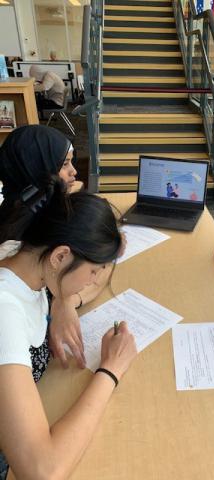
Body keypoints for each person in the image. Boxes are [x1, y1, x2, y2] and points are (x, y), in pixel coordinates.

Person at [0, 179, 137, 479]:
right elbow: (42, 472)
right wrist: (110, 371)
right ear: (60, 256)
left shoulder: (24, 255)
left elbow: (99, 271)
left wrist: (64, 301)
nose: (95, 280)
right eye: (93, 270)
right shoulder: (4, 312)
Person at [0, 125, 103, 370]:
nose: (74, 171)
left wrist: (64, 300)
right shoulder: (14, 242)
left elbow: (100, 259)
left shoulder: (40, 215)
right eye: (64, 164)